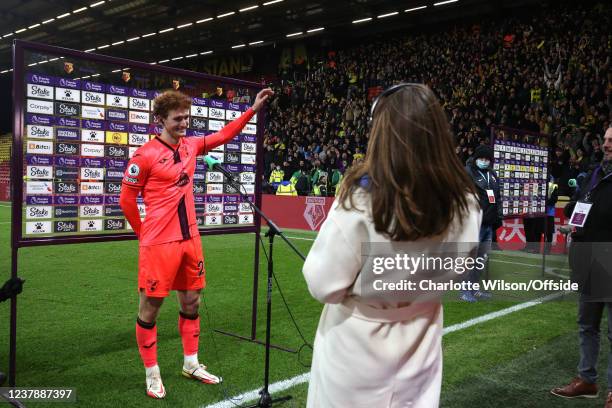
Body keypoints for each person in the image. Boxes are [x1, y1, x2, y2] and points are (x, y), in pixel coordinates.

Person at [302, 83, 481, 408]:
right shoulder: (466, 203)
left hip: (356, 348)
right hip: (422, 342)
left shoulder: (361, 200)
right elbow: (458, 270)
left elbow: (322, 284)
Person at [119, 87, 273, 399]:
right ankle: (152, 373)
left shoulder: (191, 146)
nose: (184, 123)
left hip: (190, 240)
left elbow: (225, 135)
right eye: (178, 118)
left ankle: (191, 363)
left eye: (187, 117)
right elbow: (126, 200)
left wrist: (252, 110)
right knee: (151, 307)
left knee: (192, 302)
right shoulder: (144, 155)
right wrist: (143, 234)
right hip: (159, 244)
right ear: (160, 119)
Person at [551, 127, 612, 407]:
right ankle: (587, 379)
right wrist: (573, 218)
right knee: (587, 323)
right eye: (606, 139)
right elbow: (585, 207)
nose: (606, 144)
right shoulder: (596, 173)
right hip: (589, 259)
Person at [462, 144, 502, 301]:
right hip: (473, 223)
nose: (485, 161)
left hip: (488, 224)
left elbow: (497, 197)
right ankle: (465, 291)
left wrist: (497, 217)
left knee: (481, 259)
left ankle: (475, 288)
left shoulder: (492, 174)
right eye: (482, 158)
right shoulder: (467, 173)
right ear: (476, 158)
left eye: (487, 159)